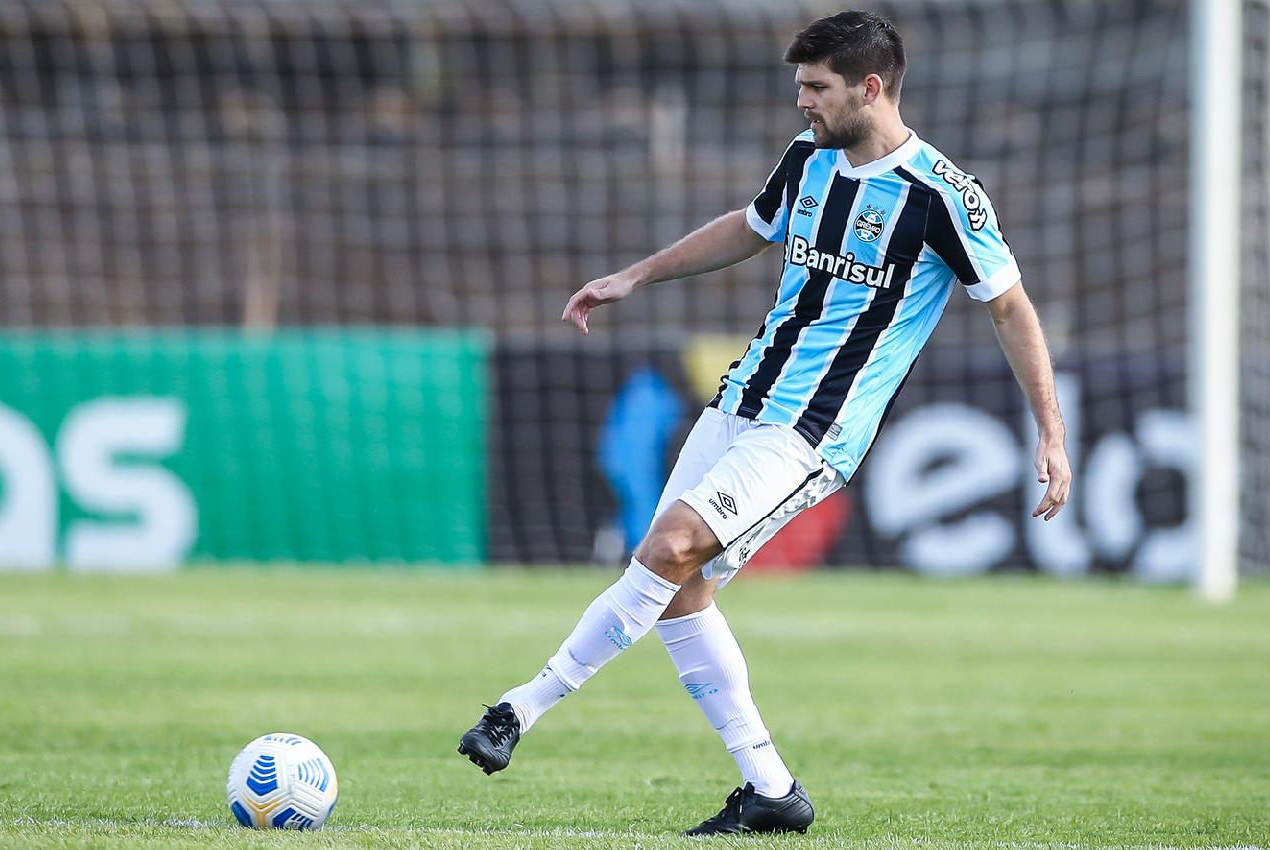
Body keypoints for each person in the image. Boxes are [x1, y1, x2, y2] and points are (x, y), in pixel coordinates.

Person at [459, 10, 1072, 836]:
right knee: (678, 595)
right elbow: (749, 229)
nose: (801, 104)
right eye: (798, 88)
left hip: (813, 430)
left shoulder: (941, 197)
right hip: (742, 399)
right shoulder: (808, 160)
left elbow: (1009, 307)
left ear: (870, 87)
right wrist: (636, 276)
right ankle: (771, 792)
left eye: (816, 88)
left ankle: (518, 709)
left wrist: (1052, 434)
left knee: (666, 549)